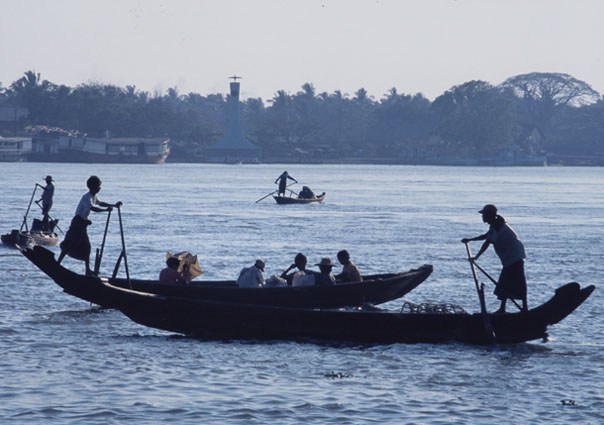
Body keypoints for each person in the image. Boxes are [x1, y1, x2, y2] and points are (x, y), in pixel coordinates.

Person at [461, 204, 528, 313]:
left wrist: (476, 257)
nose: (482, 217)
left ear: (489, 215)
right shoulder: (495, 225)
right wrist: (470, 239)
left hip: (514, 256)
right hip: (511, 257)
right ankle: (505, 308)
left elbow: (487, 242)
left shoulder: (497, 226)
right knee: (506, 282)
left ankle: (522, 309)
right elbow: (485, 236)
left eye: (484, 215)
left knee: (513, 282)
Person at [57, 175, 121, 276]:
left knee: (86, 247)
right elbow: (92, 208)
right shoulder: (87, 197)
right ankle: (58, 263)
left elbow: (100, 203)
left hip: (83, 225)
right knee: (70, 243)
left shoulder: (93, 197)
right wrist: (105, 210)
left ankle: (87, 270)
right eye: (98, 186)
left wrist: (113, 205)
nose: (99, 188)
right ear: (93, 187)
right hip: (77, 223)